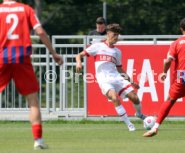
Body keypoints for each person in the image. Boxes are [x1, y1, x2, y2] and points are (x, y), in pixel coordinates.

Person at [0, 0, 63, 149]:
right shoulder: (25, 9)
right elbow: (40, 31)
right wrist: (53, 53)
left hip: (2, 56)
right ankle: (38, 140)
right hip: (22, 56)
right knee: (32, 99)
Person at [76, 23, 146, 131]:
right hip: (104, 80)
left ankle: (139, 114)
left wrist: (131, 82)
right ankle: (129, 124)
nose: (116, 38)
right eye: (114, 35)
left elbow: (120, 69)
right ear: (108, 34)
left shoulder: (117, 52)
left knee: (135, 98)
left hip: (116, 78)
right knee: (114, 97)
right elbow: (79, 55)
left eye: (117, 35)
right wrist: (79, 63)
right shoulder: (97, 46)